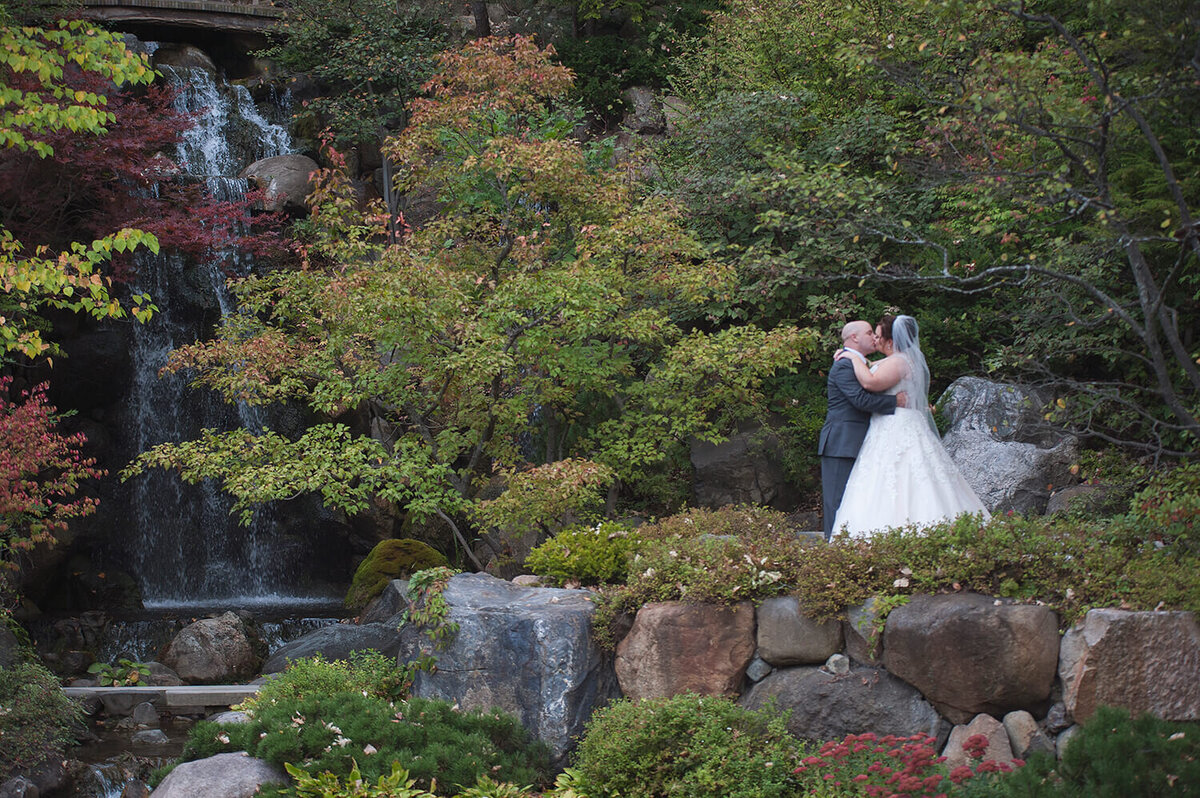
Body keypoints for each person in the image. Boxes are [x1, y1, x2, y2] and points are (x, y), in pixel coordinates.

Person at [830, 314, 989, 538]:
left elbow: (870, 382)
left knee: (904, 474)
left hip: (896, 426)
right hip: (889, 424)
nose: (874, 340)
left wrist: (852, 359)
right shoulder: (895, 360)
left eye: (877, 336)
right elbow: (873, 367)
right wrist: (855, 357)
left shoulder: (900, 361)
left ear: (891, 342)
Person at [819, 320, 905, 540]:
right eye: (869, 333)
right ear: (854, 338)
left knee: (857, 501)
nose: (874, 338)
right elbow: (860, 400)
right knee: (837, 501)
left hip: (864, 441)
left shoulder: (860, 362)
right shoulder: (844, 364)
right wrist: (895, 401)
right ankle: (832, 549)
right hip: (842, 442)